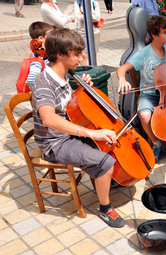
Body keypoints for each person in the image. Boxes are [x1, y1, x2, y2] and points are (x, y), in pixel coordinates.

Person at [32, 28, 126, 228]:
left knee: (109, 142)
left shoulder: (64, 74)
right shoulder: (43, 83)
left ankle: (102, 178)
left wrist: (80, 90)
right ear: (60, 54)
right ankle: (105, 208)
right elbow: (49, 119)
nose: (81, 58)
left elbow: (67, 106)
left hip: (68, 132)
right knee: (106, 161)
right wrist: (91, 132)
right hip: (54, 143)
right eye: (76, 54)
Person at [116, 15, 166, 162]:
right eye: (165, 32)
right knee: (145, 115)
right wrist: (122, 79)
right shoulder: (143, 54)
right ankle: (156, 143)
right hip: (149, 95)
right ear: (154, 36)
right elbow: (122, 69)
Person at [26, 22, 54, 91]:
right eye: (51, 34)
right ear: (41, 38)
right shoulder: (38, 58)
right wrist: (43, 92)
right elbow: (31, 80)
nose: (54, 37)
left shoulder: (46, 54)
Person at [73, 0, 101, 65]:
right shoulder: (77, 3)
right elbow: (77, 17)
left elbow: (97, 18)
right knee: (83, 54)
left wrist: (83, 15)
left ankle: (94, 68)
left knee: (94, 53)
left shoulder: (94, 3)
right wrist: (91, 15)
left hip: (94, 31)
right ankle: (85, 71)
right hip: (82, 32)